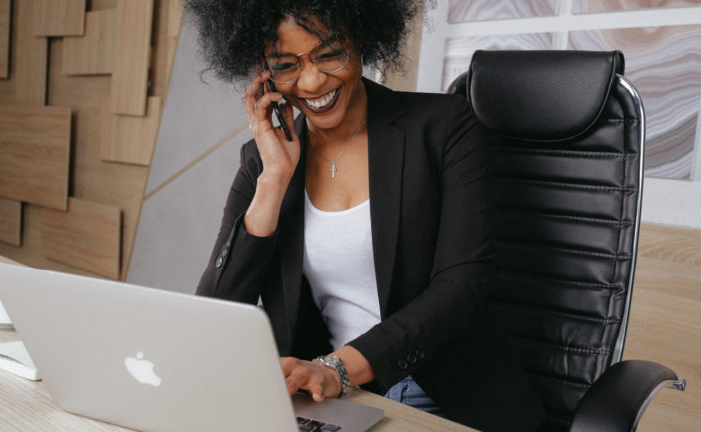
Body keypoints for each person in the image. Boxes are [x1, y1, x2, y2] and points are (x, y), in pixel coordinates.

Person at [186, 1, 546, 430]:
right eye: (286, 64)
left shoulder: (445, 128)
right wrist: (274, 179)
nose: (312, 80)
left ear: (361, 40)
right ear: (265, 74)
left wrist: (335, 370)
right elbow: (217, 313)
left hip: (438, 391)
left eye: (329, 53)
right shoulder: (263, 160)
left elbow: (462, 287)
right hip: (326, 400)